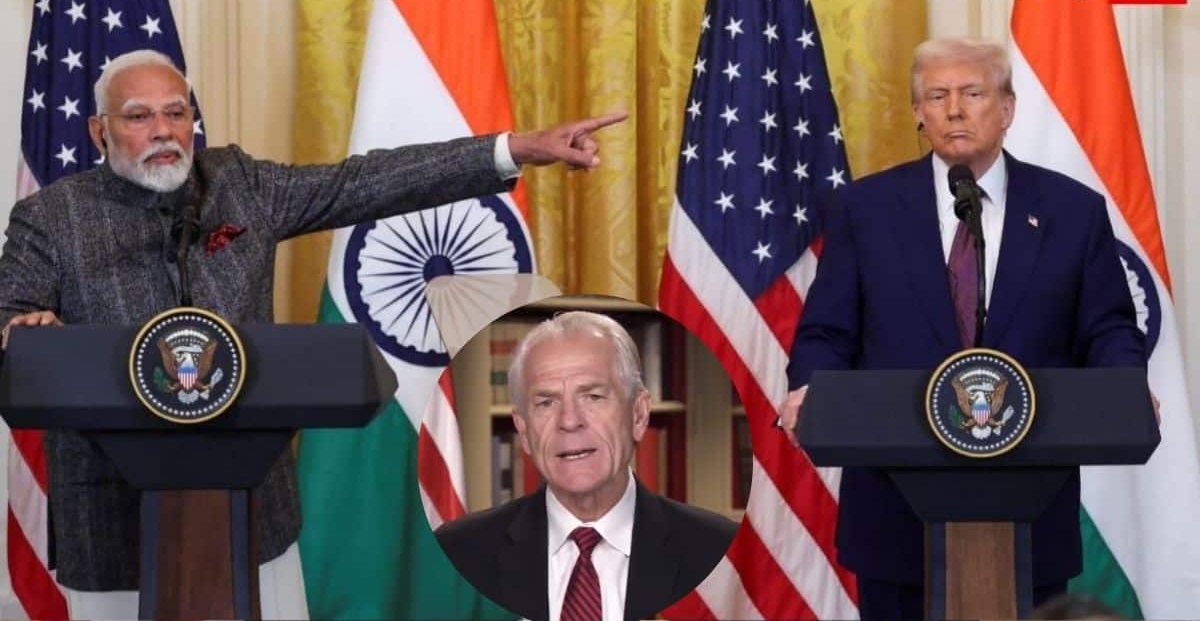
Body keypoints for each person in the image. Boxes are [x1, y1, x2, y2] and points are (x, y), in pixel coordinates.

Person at [0, 49, 626, 617]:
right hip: (113, 520)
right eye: (139, 116)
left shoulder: (239, 184)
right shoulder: (51, 217)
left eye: (176, 112)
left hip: (254, 516)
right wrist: (26, 329)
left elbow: (363, 182)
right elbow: (13, 313)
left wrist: (513, 149)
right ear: (99, 131)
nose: (163, 130)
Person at [777, 37, 1150, 620]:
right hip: (895, 517)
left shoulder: (1072, 210)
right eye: (937, 96)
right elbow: (826, 331)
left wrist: (1125, 388)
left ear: (1007, 108)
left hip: (1032, 514)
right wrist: (810, 388)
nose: (954, 110)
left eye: (973, 93)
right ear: (918, 113)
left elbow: (1109, 328)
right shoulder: (864, 209)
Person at [436, 311, 737, 621]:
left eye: (592, 396)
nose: (569, 421)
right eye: (546, 402)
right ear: (523, 431)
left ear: (638, 415)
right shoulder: (458, 552)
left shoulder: (719, 550)